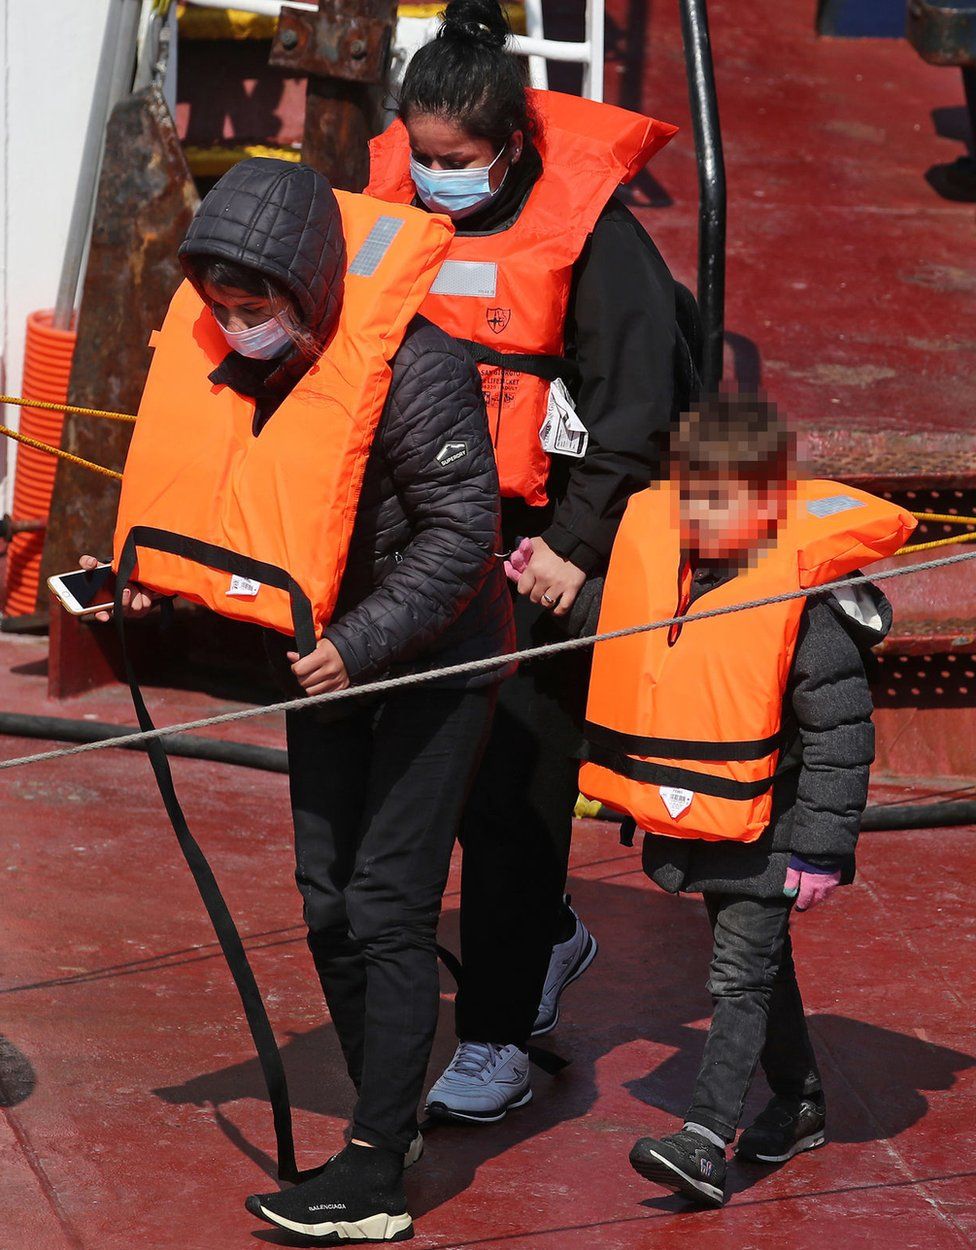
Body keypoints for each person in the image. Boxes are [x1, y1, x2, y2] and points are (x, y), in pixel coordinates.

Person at [96, 157, 514, 1243]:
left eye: (256, 308)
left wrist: (358, 645)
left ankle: (376, 1169)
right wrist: (158, 591)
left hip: (430, 663)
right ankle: (395, 1107)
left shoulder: (420, 371)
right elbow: (234, 505)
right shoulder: (238, 365)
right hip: (319, 658)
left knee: (386, 901)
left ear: (311, 292)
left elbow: (465, 536)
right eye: (222, 309)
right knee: (324, 896)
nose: (236, 327)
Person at [367, 0, 698, 1122]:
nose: (431, 177)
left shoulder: (597, 240)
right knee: (415, 782)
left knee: (510, 797)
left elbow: (638, 407)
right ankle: (548, 933)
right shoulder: (387, 199)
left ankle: (500, 1032)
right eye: (418, 155)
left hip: (532, 557)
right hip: (414, 542)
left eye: (453, 163)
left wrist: (572, 545)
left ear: (508, 148)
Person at [579, 392, 915, 1207]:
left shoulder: (804, 609)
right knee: (762, 970)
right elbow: (623, 633)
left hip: (778, 827)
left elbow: (841, 735)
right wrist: (548, 586)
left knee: (738, 980)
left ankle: (702, 1141)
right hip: (706, 823)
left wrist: (824, 852)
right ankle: (799, 1105)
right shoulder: (672, 575)